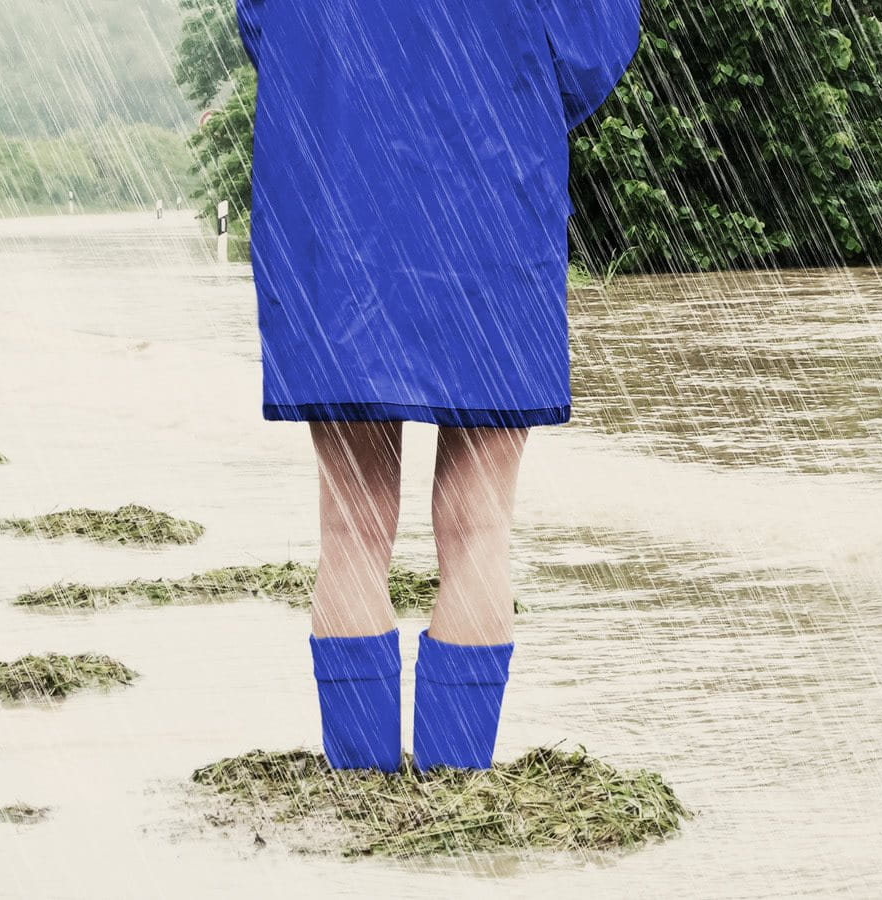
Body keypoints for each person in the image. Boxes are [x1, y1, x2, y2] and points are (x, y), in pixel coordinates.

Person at [232, 0, 644, 772]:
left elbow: (263, 26)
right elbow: (592, 45)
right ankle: (454, 810)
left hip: (337, 207)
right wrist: (497, 88)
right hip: (491, 206)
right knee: (480, 526)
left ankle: (360, 809)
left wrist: (350, 90)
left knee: (351, 530)